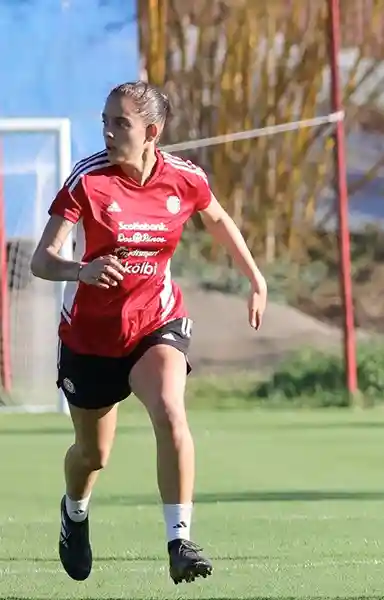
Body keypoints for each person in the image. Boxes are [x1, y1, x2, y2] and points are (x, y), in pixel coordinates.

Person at [29, 81, 268, 585]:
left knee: (169, 408)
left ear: (152, 132)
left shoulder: (184, 178)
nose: (109, 132)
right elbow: (41, 260)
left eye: (122, 123)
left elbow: (218, 218)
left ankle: (180, 540)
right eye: (105, 121)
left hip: (155, 323)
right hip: (91, 340)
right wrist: (83, 271)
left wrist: (254, 276)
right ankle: (74, 512)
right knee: (93, 455)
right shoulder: (87, 180)